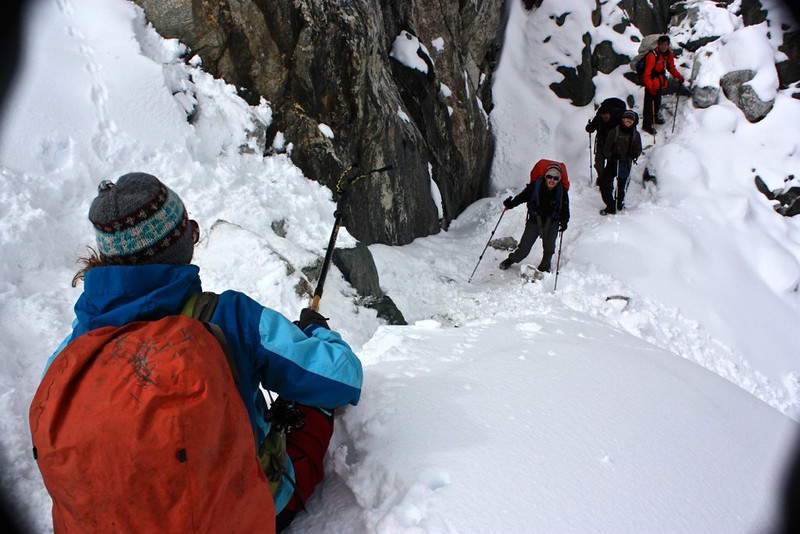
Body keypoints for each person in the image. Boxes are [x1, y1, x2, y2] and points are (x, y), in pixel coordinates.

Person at [40, 172, 363, 532]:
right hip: (228, 516)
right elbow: (342, 376)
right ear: (179, 246)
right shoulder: (229, 319)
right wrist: (316, 331)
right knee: (310, 400)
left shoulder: (74, 349)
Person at [499, 161, 570, 272]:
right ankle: (511, 260)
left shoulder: (562, 191)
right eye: (549, 176)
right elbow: (522, 197)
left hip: (552, 223)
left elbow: (565, 209)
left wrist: (564, 221)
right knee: (524, 249)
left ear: (559, 179)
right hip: (534, 221)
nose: (552, 180)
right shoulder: (535, 185)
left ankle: (544, 268)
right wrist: (511, 204)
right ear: (545, 176)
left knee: (549, 249)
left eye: (556, 178)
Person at [599, 110, 642, 215]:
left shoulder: (635, 135)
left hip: (625, 164)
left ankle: (619, 204)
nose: (628, 121)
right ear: (622, 119)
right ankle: (610, 205)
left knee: (622, 186)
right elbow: (605, 149)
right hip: (612, 163)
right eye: (626, 118)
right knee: (604, 184)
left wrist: (634, 155)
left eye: (631, 119)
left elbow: (638, 149)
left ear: (633, 121)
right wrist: (611, 156)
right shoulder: (614, 132)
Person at [642, 35, 684, 135]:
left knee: (657, 102)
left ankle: (655, 118)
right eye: (662, 44)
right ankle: (646, 125)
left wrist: (679, 77)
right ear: (658, 44)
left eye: (665, 45)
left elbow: (671, 67)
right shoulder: (652, 55)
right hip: (652, 83)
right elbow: (646, 73)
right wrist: (649, 86)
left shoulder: (668, 54)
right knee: (648, 105)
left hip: (660, 83)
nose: (663, 47)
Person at [586, 98, 625, 185]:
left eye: (606, 116)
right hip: (601, 143)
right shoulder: (599, 117)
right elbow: (592, 127)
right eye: (603, 116)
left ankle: (607, 180)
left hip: (613, 146)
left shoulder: (617, 119)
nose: (605, 118)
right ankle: (602, 179)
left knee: (611, 165)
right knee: (598, 164)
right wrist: (590, 128)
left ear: (610, 114)